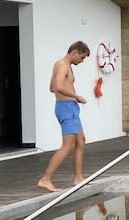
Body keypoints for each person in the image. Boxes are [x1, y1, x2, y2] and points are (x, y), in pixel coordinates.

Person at [37, 41, 90, 193]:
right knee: (68, 145)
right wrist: (76, 96)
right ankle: (45, 179)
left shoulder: (61, 65)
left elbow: (51, 87)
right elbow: (58, 87)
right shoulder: (63, 65)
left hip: (69, 107)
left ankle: (79, 178)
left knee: (81, 140)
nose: (82, 61)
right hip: (66, 108)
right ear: (74, 52)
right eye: (82, 57)